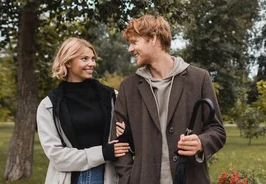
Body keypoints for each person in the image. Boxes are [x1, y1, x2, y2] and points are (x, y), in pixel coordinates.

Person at [111, 15, 226, 184]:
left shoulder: (199, 78)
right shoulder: (128, 88)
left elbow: (217, 130)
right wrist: (129, 178)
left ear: (153, 39)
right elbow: (118, 143)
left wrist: (200, 143)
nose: (130, 49)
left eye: (134, 42)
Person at [36, 37, 131, 184]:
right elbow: (56, 156)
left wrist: (126, 132)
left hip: (106, 176)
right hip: (70, 178)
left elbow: (128, 137)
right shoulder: (49, 105)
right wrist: (103, 152)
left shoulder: (111, 96)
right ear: (68, 62)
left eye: (93, 59)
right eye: (84, 59)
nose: (92, 63)